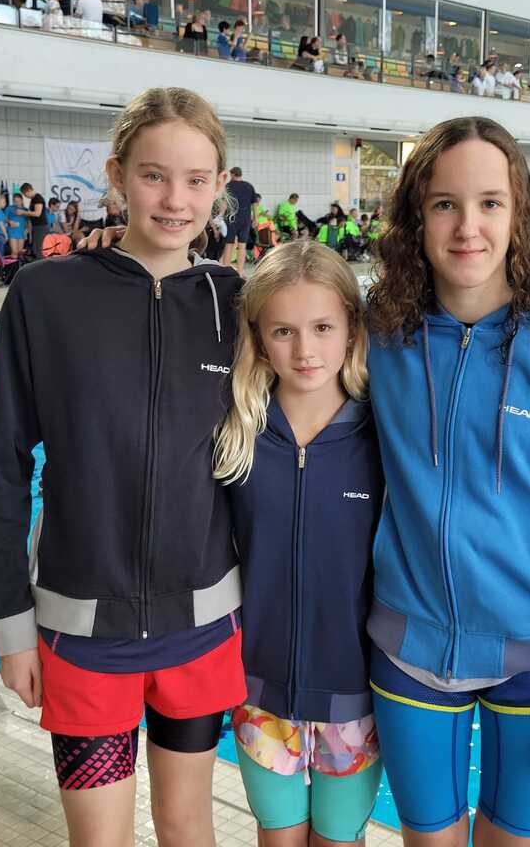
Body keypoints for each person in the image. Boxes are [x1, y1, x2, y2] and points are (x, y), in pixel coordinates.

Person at [0, 87, 247, 846]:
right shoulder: (47, 294)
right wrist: (10, 628)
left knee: (188, 828)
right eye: (154, 175)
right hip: (79, 633)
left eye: (197, 180)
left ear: (220, 185)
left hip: (203, 629)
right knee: (99, 840)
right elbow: (0, 463)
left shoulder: (236, 304)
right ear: (117, 173)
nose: (175, 198)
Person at [365, 116, 530, 845]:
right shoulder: (377, 338)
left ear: (519, 217)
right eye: (445, 203)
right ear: (416, 218)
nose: (466, 228)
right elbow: (281, 327)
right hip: (408, 649)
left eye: (489, 203)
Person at [213, 240, 384, 845]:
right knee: (279, 836)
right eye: (284, 330)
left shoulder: (382, 434)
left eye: (322, 327)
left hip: (356, 690)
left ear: (351, 327)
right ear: (259, 338)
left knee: (340, 839)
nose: (305, 350)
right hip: (259, 688)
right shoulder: (239, 429)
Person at [222, 166, 258, 278]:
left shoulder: (228, 186)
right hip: (245, 220)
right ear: (241, 174)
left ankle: (226, 270)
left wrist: (219, 216)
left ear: (232, 174)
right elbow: (255, 204)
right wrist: (255, 218)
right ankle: (240, 271)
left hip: (231, 219)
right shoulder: (249, 186)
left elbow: (224, 203)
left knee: (229, 245)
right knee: (242, 246)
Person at [19, 182, 48, 258]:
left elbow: (37, 213)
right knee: (36, 248)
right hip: (37, 227)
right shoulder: (33, 199)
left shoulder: (38, 198)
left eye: (25, 194)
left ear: (28, 191)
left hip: (40, 227)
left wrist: (23, 212)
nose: (25, 196)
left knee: (39, 248)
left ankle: (42, 266)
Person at [5, 192, 28, 259]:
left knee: (20, 252)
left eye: (19, 201)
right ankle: (14, 268)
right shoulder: (9, 208)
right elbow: (4, 218)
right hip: (12, 232)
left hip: (21, 233)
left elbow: (27, 222)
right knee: (14, 252)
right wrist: (10, 222)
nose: (17, 203)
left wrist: (26, 231)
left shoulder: (25, 210)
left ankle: (20, 268)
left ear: (22, 200)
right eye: (15, 201)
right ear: (13, 201)